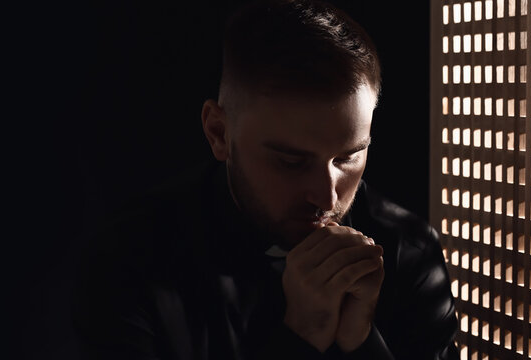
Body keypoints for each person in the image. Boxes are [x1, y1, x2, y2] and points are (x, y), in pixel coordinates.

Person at [73, 0, 458, 358]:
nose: (326, 198)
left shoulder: (410, 252)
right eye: (291, 161)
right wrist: (304, 332)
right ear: (219, 133)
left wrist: (360, 340)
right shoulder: (130, 263)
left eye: (348, 157)